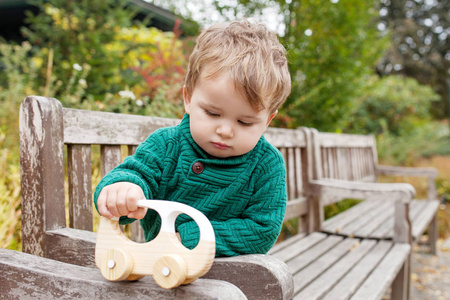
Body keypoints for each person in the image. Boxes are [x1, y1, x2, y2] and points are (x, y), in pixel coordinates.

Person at [94, 19, 291, 257]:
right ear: (188, 98)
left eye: (244, 122)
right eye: (212, 113)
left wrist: (193, 237)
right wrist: (123, 189)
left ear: (268, 120)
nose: (226, 130)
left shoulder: (266, 164)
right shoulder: (167, 146)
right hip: (161, 269)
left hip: (232, 274)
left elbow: (262, 230)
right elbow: (136, 174)